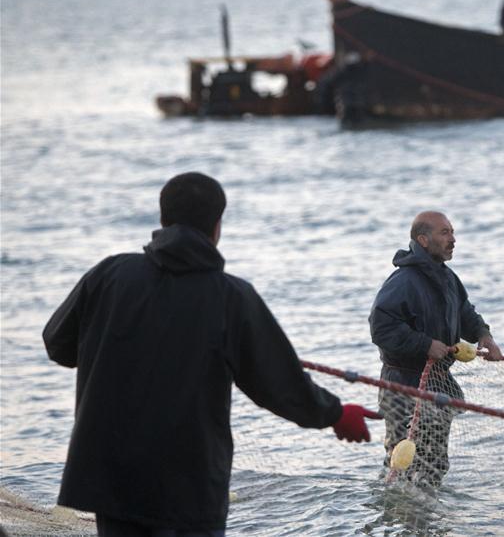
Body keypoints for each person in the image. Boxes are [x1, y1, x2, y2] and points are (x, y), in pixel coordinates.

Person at [43, 172, 379, 536]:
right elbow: (279, 383)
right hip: (190, 481)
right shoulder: (231, 297)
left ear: (161, 219)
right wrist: (335, 414)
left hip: (114, 478)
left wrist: (114, 343)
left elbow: (57, 342)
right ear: (217, 226)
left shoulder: (109, 275)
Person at [369, 211, 502, 486]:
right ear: (423, 239)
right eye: (445, 233)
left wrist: (483, 334)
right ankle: (399, 520)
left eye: (452, 232)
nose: (453, 239)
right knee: (402, 463)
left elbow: (465, 312)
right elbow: (381, 326)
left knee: (435, 464)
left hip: (438, 382)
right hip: (403, 385)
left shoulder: (448, 278)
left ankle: (425, 521)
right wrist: (426, 344)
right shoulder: (402, 282)